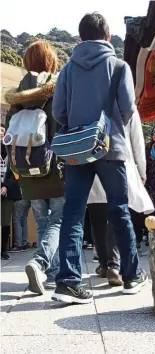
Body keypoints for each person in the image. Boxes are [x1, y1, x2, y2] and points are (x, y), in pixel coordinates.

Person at [52, 12, 147, 304]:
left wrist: (79, 126)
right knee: (119, 210)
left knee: (73, 213)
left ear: (80, 38)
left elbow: (58, 113)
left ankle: (68, 282)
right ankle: (131, 276)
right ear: (107, 36)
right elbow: (128, 109)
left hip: (77, 150)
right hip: (112, 146)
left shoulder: (67, 70)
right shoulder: (119, 67)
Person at [4, 41, 66, 293]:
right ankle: (41, 264)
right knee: (59, 220)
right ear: (51, 62)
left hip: (27, 171)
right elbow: (64, 128)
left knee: (42, 222)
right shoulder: (58, 91)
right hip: (55, 167)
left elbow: (8, 137)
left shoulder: (16, 99)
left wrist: (16, 171)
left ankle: (49, 274)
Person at [87, 108, 154, 286]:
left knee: (97, 218)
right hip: (119, 163)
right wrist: (142, 170)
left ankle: (104, 265)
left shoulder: (87, 98)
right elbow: (137, 142)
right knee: (117, 214)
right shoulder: (124, 102)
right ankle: (114, 266)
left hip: (91, 166)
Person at [1, 129, 22, 260]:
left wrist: (5, 186)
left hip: (7, 192)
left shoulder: (12, 152)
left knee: (4, 222)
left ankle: (3, 250)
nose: (0, 134)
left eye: (3, 132)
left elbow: (16, 172)